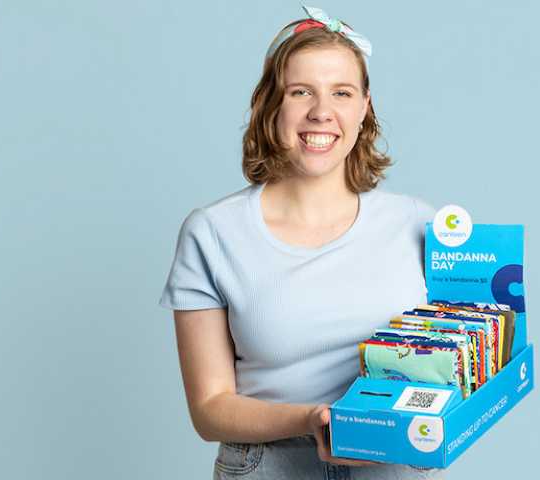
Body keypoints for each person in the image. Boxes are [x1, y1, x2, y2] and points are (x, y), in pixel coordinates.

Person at [159, 6, 441, 479]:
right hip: (269, 464)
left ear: (365, 106)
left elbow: (465, 353)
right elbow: (209, 408)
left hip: (396, 463)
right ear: (270, 103)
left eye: (341, 92)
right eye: (301, 92)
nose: (321, 113)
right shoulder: (211, 233)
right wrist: (313, 421)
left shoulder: (421, 224)